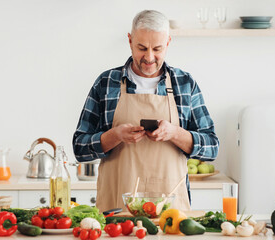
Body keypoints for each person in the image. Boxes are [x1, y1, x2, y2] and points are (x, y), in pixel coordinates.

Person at [73, 10, 219, 212]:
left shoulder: (184, 83)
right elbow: (79, 147)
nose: (149, 57)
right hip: (117, 211)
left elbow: (212, 147)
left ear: (168, 42)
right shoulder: (107, 83)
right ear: (130, 40)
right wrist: (114, 136)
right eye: (142, 47)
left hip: (171, 212)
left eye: (157, 48)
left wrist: (175, 133)